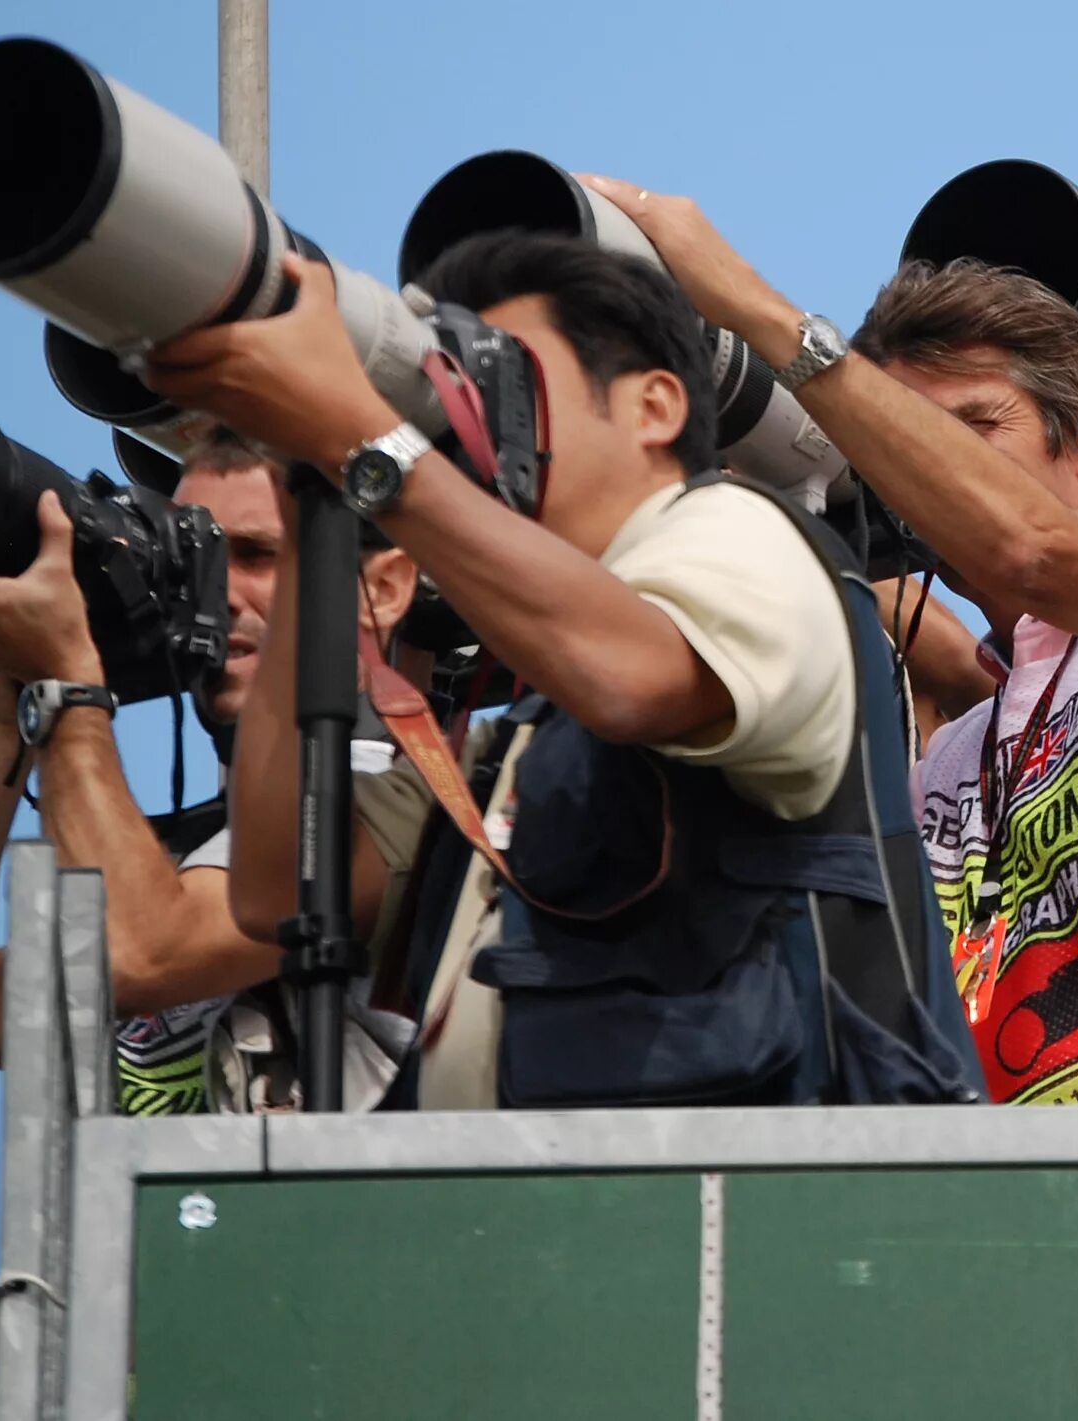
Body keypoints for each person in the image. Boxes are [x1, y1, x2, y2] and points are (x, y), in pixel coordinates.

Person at [563, 179, 1078, 1107]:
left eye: (971, 429)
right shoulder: (959, 753)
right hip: (1016, 1183)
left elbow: (1033, 550)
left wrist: (759, 316)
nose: (930, 470)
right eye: (906, 441)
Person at [141, 237, 979, 1110]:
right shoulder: (523, 741)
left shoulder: (743, 533)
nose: (473, 420)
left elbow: (633, 676)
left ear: (654, 406)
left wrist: (367, 441)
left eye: (508, 382)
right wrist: (312, 516)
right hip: (551, 1219)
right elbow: (281, 897)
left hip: (775, 1218)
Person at [0, 438, 431, 1115]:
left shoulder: (413, 809)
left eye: (255, 555)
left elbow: (145, 951)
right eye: (195, 561)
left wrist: (70, 688)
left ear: (383, 589)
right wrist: (14, 725)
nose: (216, 592)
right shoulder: (172, 871)